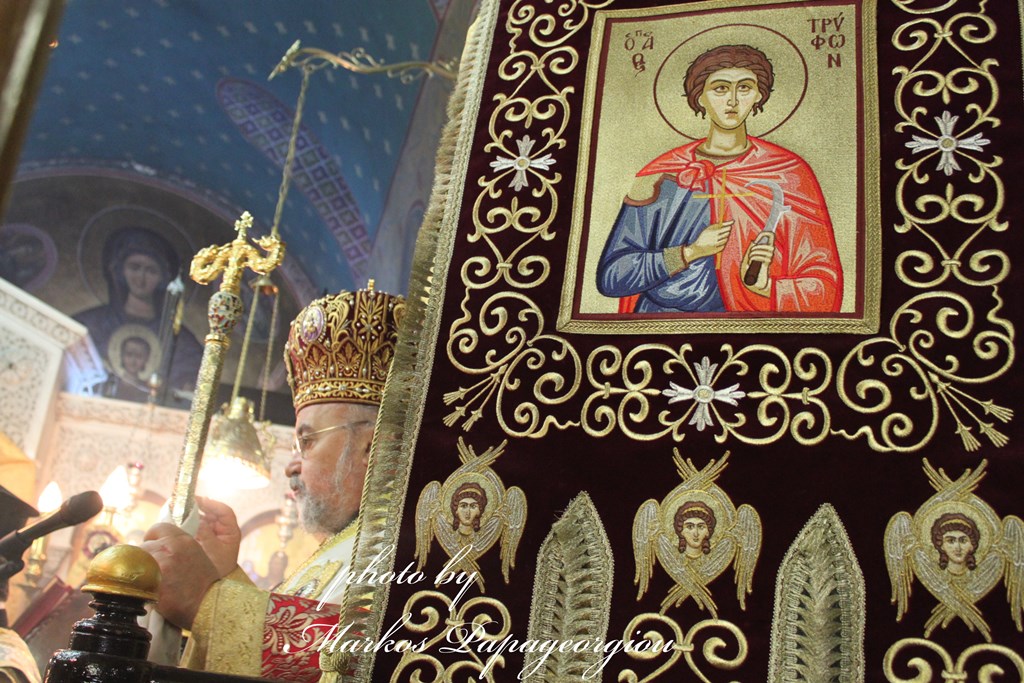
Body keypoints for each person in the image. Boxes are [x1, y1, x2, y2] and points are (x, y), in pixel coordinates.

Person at [141, 285, 404, 682]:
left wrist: (208, 600)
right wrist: (223, 577)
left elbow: (368, 656)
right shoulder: (347, 544)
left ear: (374, 446)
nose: (291, 466)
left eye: (307, 442)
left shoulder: (410, 547)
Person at [596, 44, 843, 314]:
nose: (733, 101)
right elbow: (612, 277)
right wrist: (689, 252)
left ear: (759, 95)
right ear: (700, 97)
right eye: (720, 88)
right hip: (662, 322)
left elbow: (824, 283)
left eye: (745, 88)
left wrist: (767, 287)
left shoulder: (788, 173)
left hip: (749, 325)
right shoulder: (661, 175)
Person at [74, 227, 201, 399]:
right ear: (120, 271)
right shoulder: (89, 324)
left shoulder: (182, 342)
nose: (141, 278)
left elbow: (191, 388)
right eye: (134, 267)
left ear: (163, 278)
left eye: (151, 271)